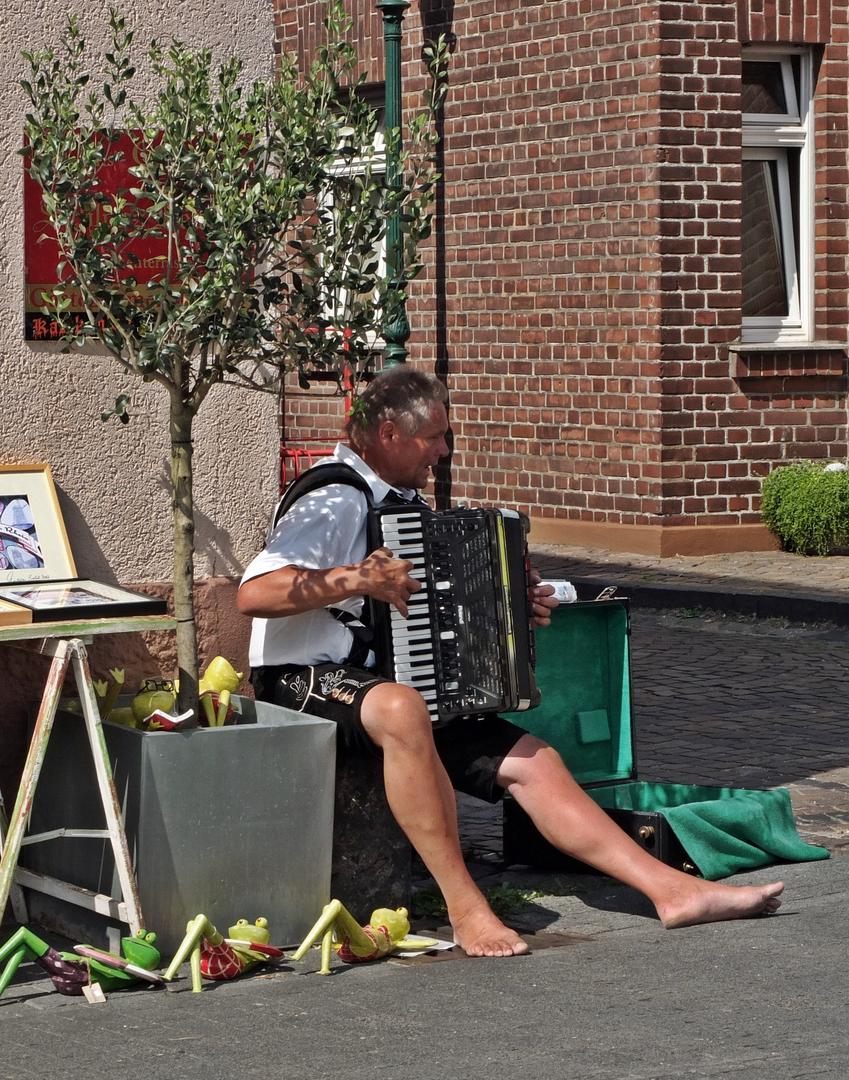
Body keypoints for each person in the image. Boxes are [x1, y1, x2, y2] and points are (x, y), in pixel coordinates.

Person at [237, 367, 784, 957]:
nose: (444, 452)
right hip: (301, 678)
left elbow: (430, 612)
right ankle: (465, 906)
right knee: (401, 708)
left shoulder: (404, 504)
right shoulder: (335, 496)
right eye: (434, 439)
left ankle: (674, 891)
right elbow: (255, 593)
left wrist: (514, 612)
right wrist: (358, 577)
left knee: (534, 760)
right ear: (389, 434)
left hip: (388, 687)